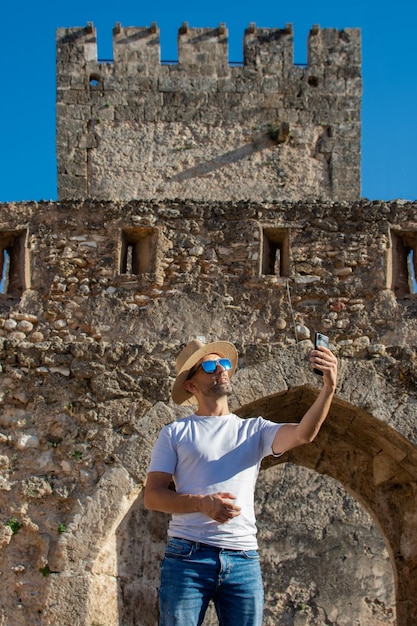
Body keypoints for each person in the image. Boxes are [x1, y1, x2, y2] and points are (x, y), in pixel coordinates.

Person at [144, 338, 338, 626]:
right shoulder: (175, 432)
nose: (220, 369)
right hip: (187, 557)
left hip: (243, 558)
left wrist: (329, 388)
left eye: (223, 363)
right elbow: (153, 496)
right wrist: (201, 504)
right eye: (209, 366)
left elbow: (303, 434)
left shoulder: (254, 430)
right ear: (191, 385)